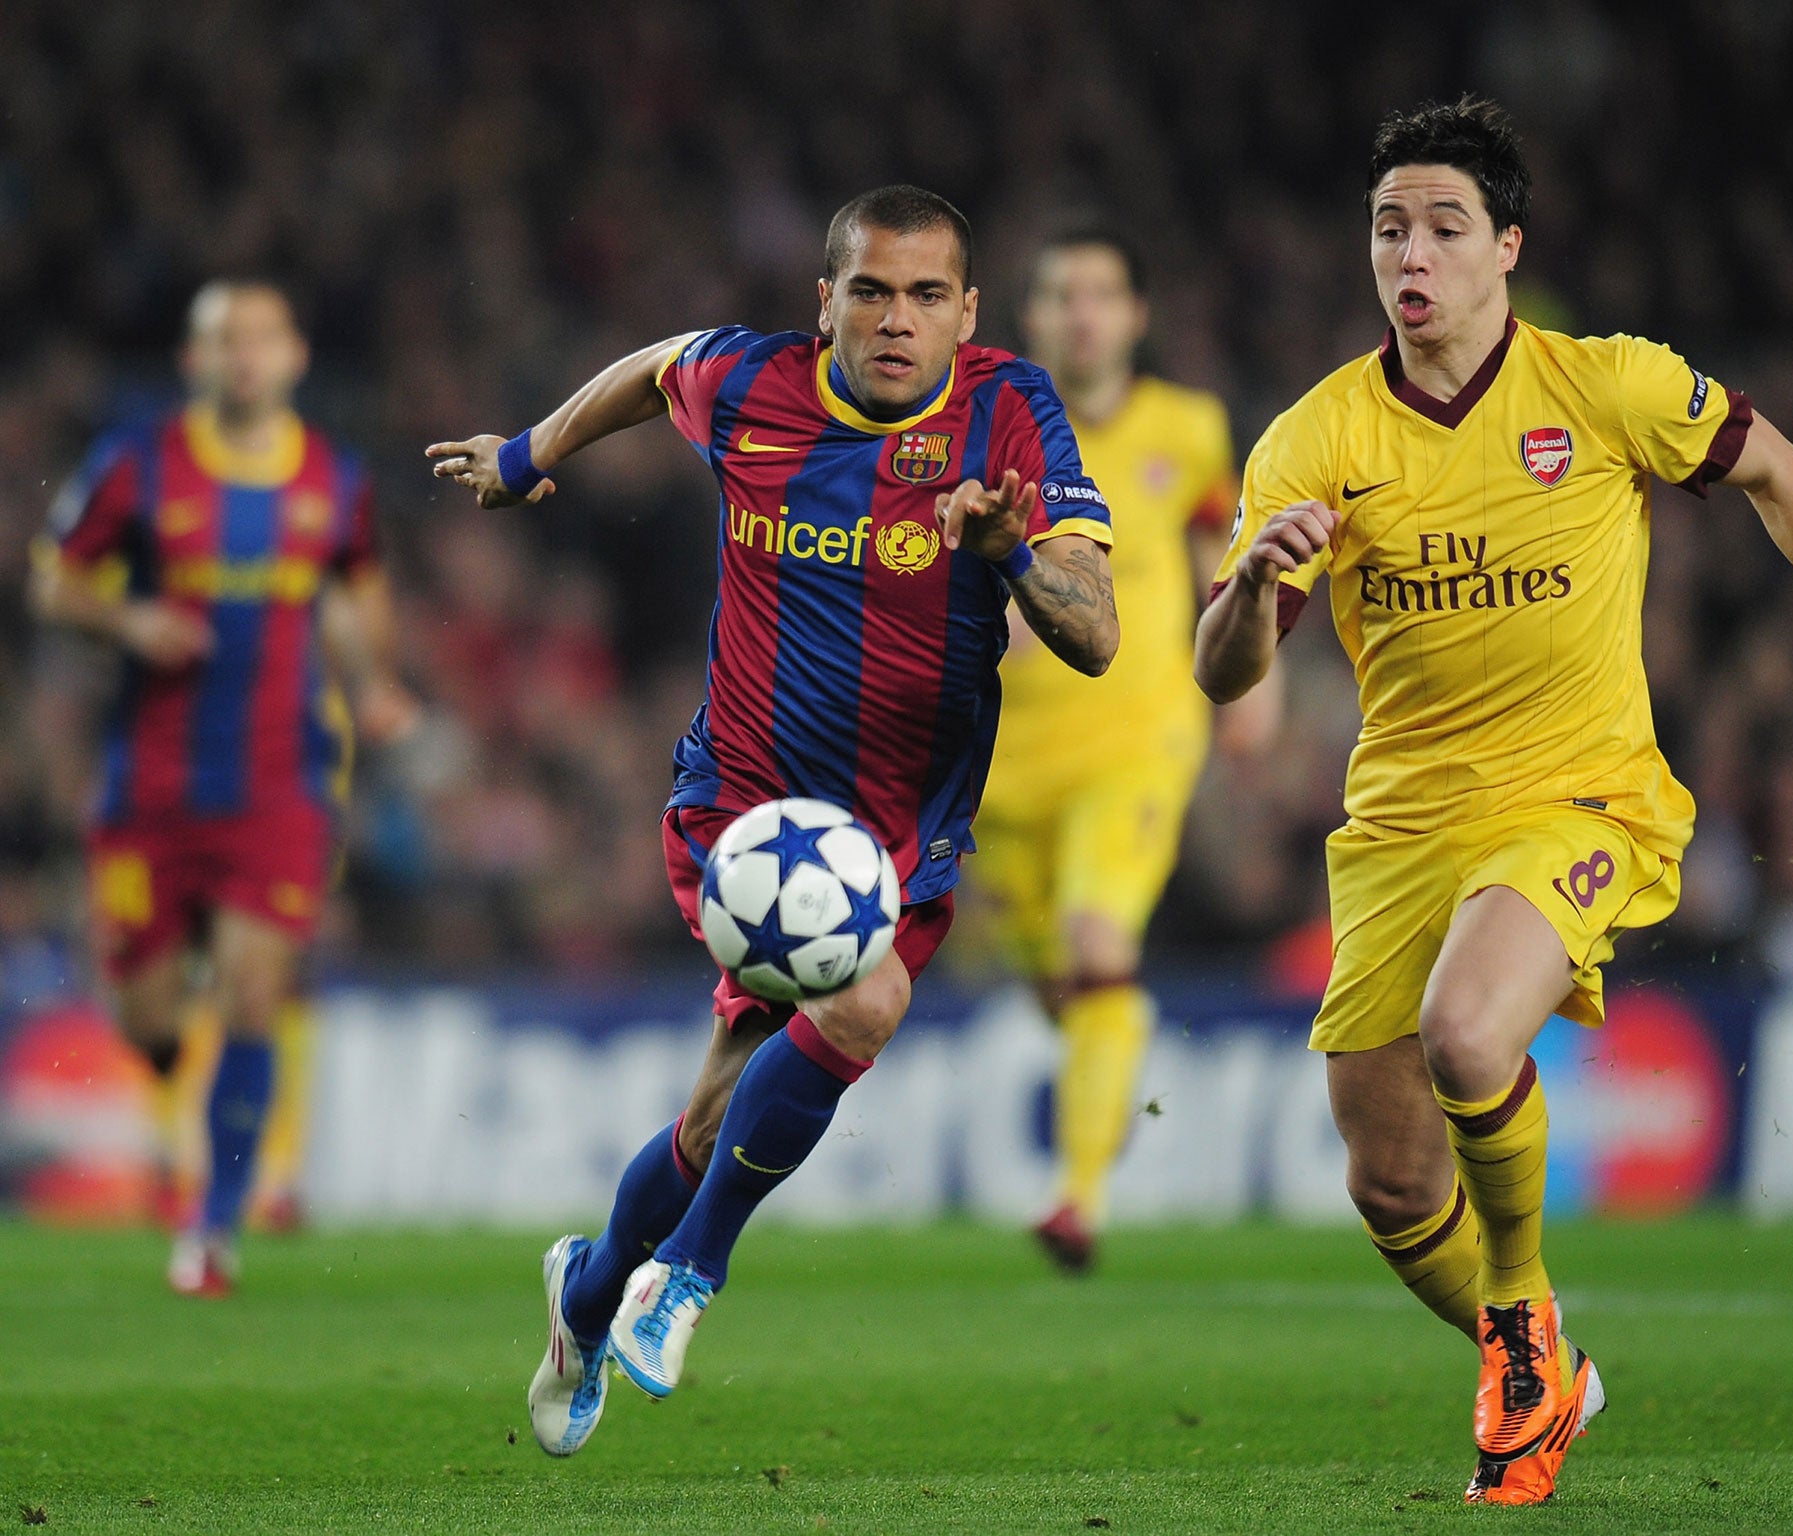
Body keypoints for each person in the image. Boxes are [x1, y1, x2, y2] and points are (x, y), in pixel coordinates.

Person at [1194, 99, 1793, 1506]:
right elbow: (1226, 674)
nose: (1411, 254)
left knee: (1471, 1033)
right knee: (1393, 1186)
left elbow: (1771, 467)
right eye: (1389, 228)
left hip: (1582, 798)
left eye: (1444, 228)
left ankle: (1523, 1323)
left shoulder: (1607, 389)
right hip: (1401, 827)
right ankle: (1551, 1370)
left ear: (1507, 249)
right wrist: (1247, 588)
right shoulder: (1314, 438)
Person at [428, 185, 1119, 1458]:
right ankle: (688, 1279)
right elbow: (655, 369)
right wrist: (529, 452)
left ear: (967, 312)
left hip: (906, 826)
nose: (895, 320)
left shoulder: (1009, 409)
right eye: (869, 290)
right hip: (744, 811)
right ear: (826, 301)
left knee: (713, 1119)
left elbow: (1097, 632)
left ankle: (585, 1293)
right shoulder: (753, 386)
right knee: (864, 1007)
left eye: (924, 296)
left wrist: (1012, 554)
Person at [32, 280, 412, 1296]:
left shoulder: (334, 478)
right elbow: (52, 577)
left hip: (277, 785)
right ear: (193, 362)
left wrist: (373, 687)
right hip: (149, 792)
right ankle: (174, 1095)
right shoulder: (137, 465)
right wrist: (126, 621)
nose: (243, 358)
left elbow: (348, 591)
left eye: (261, 339)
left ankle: (212, 1225)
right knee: (149, 1021)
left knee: (253, 994)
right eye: (222, 342)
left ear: (293, 356)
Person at [972, 230, 1260, 1271]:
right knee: (1063, 991)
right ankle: (1107, 1075)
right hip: (1001, 765)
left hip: (1135, 739)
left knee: (1100, 951)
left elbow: (1212, 550)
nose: (1081, 313)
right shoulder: (984, 428)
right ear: (1032, 317)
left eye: (1101, 293)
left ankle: (1076, 1198)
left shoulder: (1185, 427)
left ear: (1135, 315)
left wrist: (1246, 676)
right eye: (1059, 294)